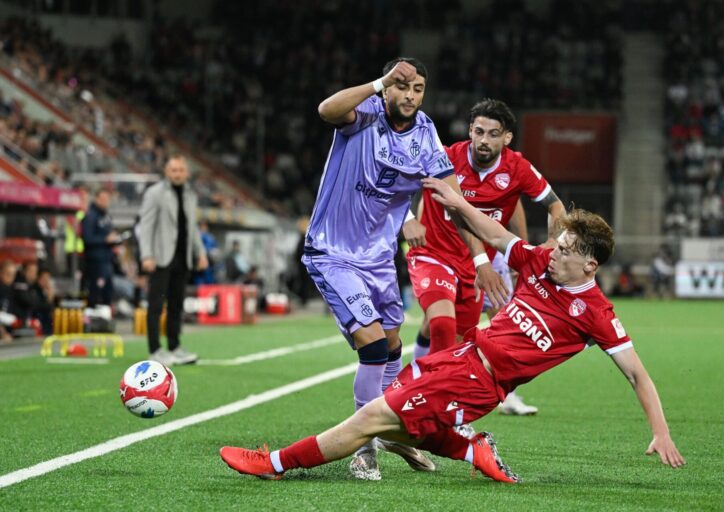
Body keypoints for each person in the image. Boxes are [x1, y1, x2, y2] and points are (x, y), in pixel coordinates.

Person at [219, 196, 686, 483]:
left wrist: (661, 431)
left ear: (590, 266)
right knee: (390, 423)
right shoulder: (540, 264)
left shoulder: (597, 315)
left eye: (565, 252)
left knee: (370, 418)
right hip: (462, 355)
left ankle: (274, 463)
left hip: (476, 382)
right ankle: (472, 447)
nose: (554, 253)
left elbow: (637, 374)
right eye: (557, 245)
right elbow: (497, 233)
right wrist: (457, 204)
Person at [301, 57, 507, 480]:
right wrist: (377, 83)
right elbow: (326, 110)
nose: (410, 96)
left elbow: (455, 204)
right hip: (333, 252)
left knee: (393, 347)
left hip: (378, 261)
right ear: (389, 88)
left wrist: (484, 256)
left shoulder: (426, 134)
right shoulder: (364, 116)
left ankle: (393, 431)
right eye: (402, 87)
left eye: (417, 89)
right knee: (373, 346)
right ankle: (366, 447)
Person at [403, 99, 565, 417]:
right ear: (470, 131)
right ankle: (435, 406)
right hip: (433, 253)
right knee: (442, 324)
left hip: (474, 265)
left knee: (455, 337)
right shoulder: (445, 157)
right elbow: (399, 184)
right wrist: (407, 218)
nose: (483, 140)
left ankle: (411, 387)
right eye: (479, 131)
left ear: (506, 138)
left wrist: (550, 242)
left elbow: (555, 206)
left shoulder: (517, 169)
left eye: (493, 134)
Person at [139, 155, 208, 366]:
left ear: (186, 173)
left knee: (177, 305)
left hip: (182, 257)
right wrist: (146, 254)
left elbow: (192, 227)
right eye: (173, 170)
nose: (177, 174)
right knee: (156, 305)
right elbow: (146, 226)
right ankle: (155, 349)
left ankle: (175, 346)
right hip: (160, 257)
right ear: (166, 172)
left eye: (181, 170)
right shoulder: (155, 193)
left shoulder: (190, 194)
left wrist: (201, 253)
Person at [81, 188, 120, 307]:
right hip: (95, 261)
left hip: (107, 259)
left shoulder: (106, 216)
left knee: (107, 293)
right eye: (102, 199)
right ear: (97, 199)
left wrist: (115, 241)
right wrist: (105, 240)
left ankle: (104, 319)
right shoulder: (90, 216)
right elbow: (87, 239)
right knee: (95, 292)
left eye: (107, 199)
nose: (105, 202)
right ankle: (92, 320)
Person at [0, 260, 17, 342]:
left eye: (13, 275)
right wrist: (2, 333)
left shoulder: (10, 290)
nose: (10, 278)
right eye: (8, 274)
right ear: (1, 273)